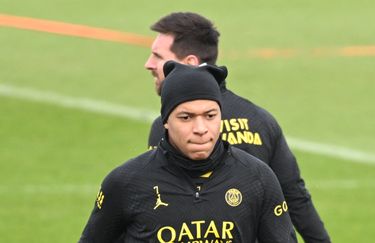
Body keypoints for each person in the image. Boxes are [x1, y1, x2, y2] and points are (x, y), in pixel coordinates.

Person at [145, 12, 331, 243]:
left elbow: (154, 205)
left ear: (189, 63)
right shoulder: (261, 119)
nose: (149, 64)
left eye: (157, 56)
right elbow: (295, 197)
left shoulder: (166, 128)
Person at [79, 61, 297, 243]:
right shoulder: (126, 183)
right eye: (186, 117)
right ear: (165, 121)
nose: (201, 129)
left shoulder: (257, 178)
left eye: (210, 115)